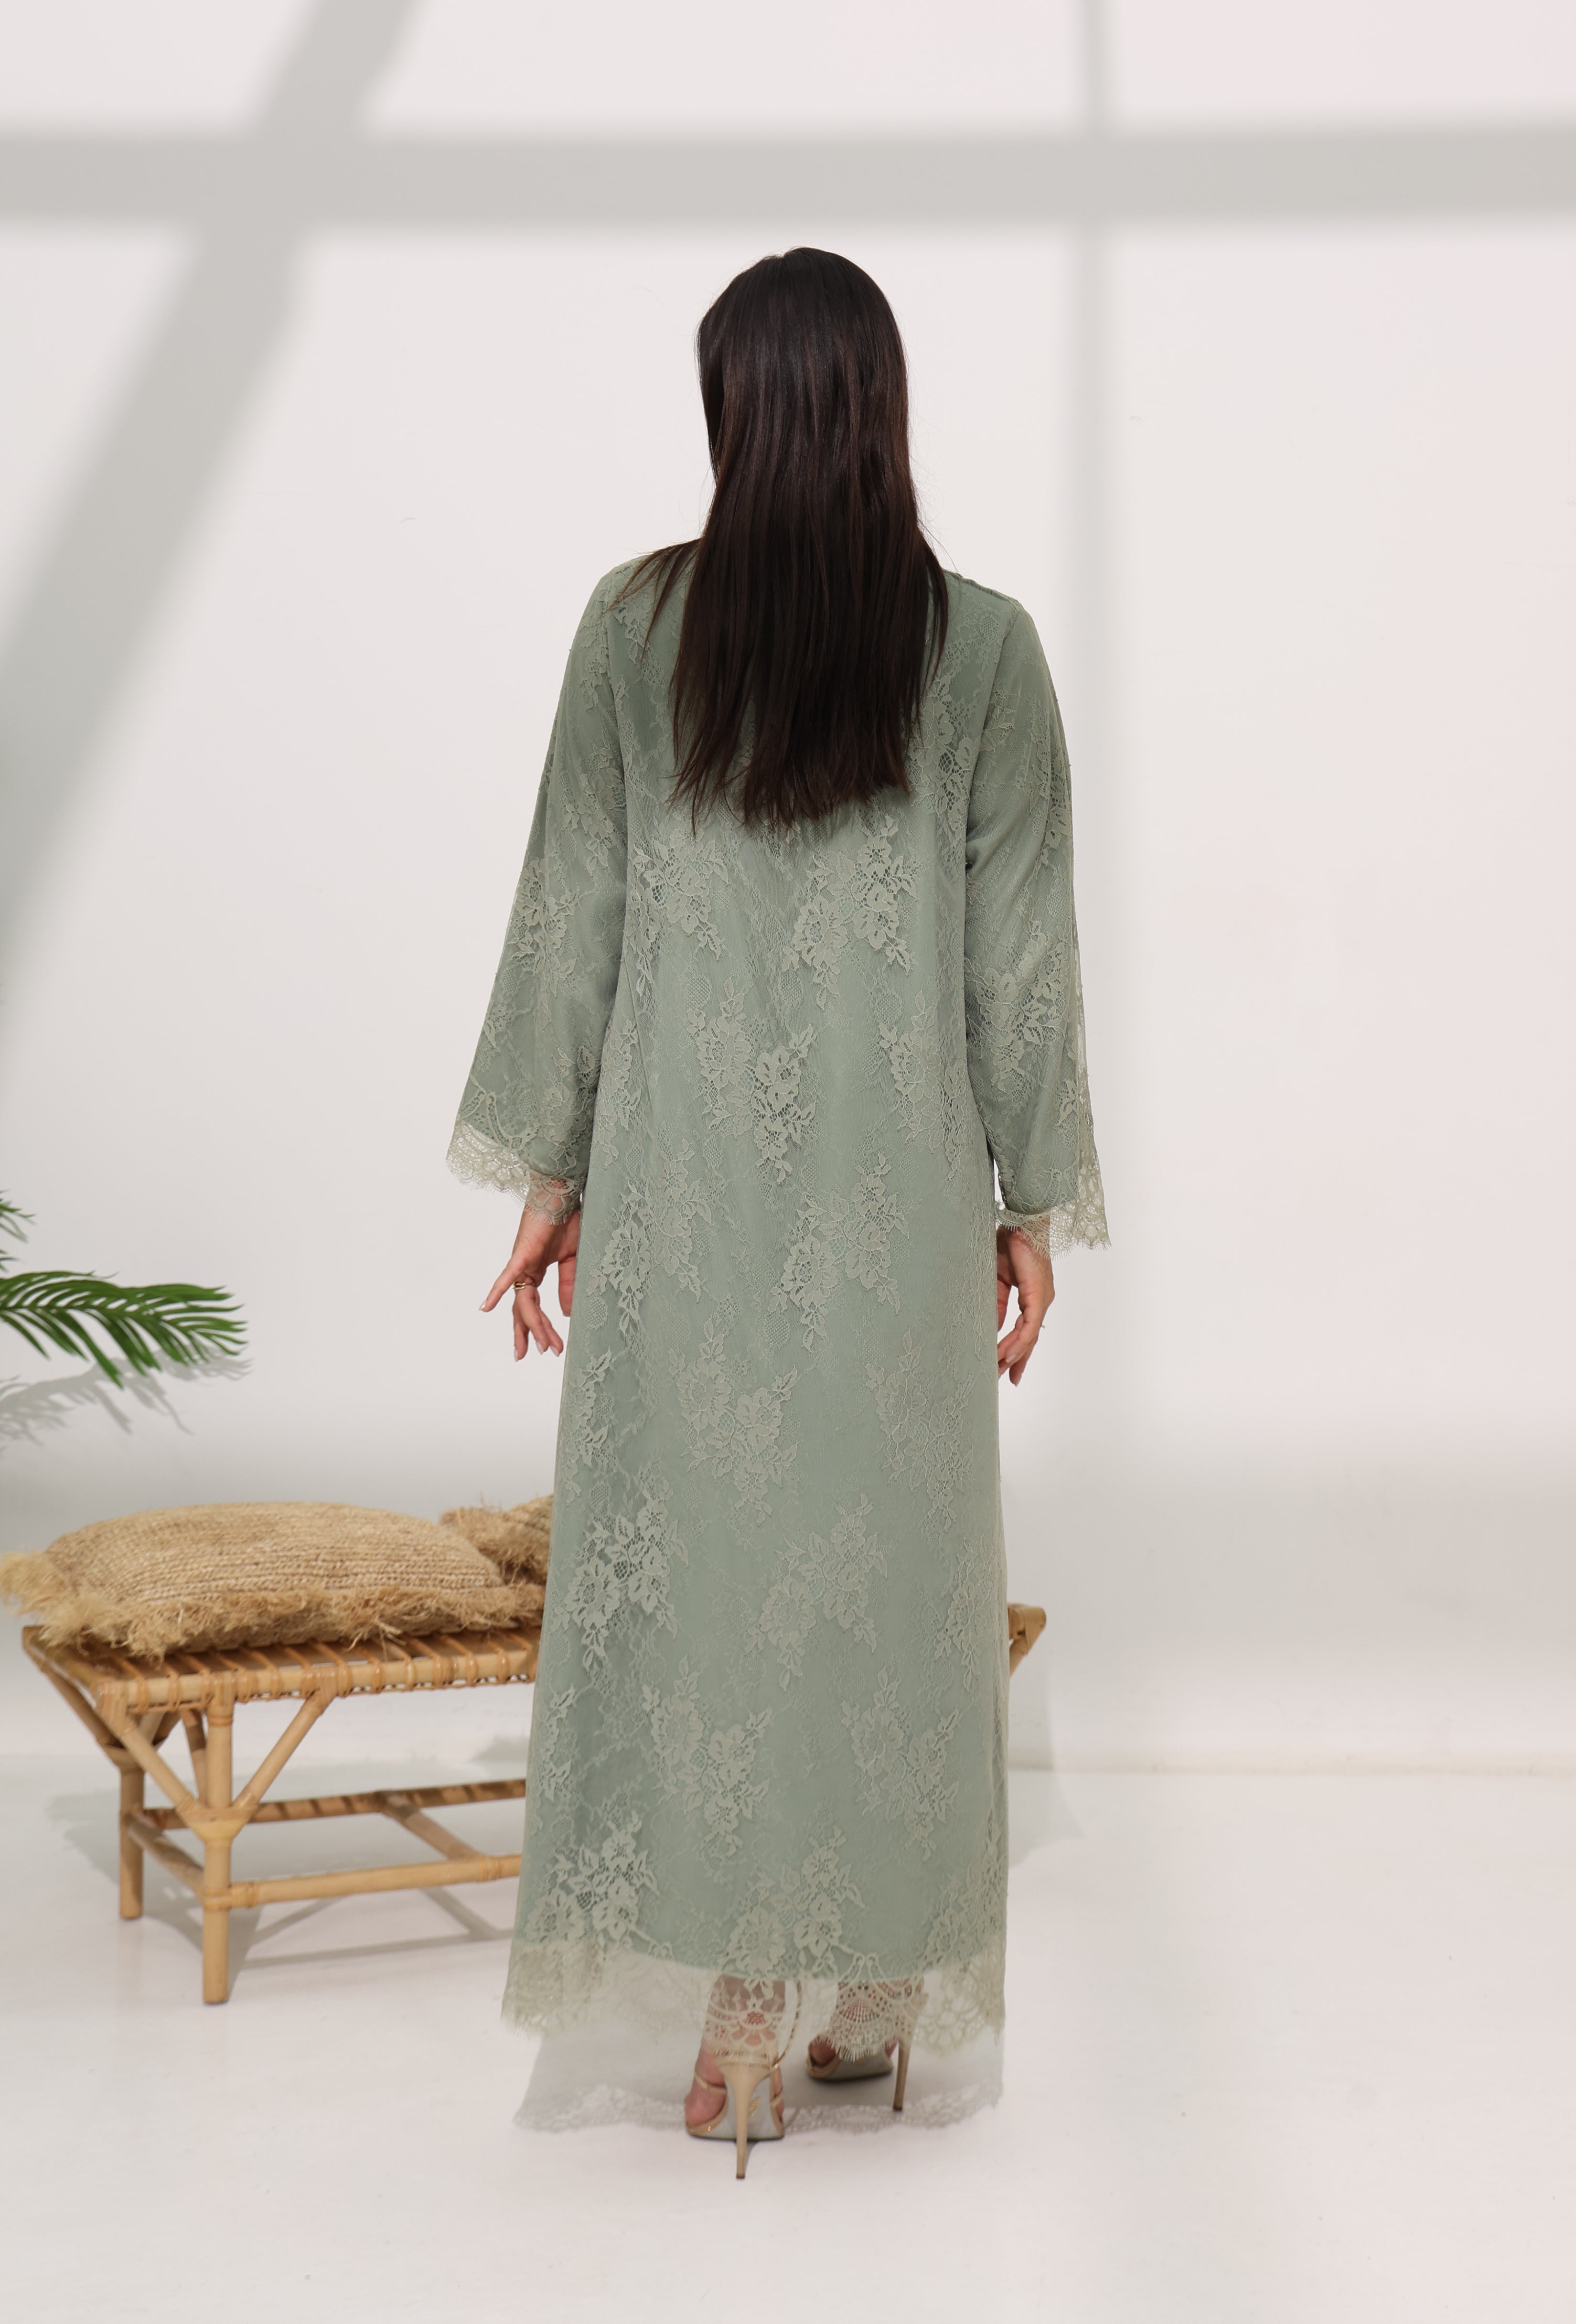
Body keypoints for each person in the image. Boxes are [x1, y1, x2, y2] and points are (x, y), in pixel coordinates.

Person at [450, 247, 1108, 2177]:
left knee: (722, 1572)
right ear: (883, 412)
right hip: (898, 1200)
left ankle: (743, 2016)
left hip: (687, 1201)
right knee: (892, 1572)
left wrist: (557, 1177)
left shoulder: (634, 628)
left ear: (732, 413)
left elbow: (572, 911)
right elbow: (1022, 963)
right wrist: (1029, 1202)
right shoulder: (984, 650)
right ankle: (878, 1993)